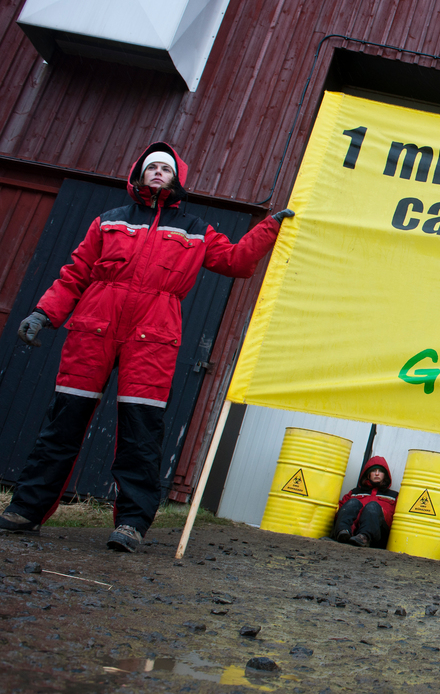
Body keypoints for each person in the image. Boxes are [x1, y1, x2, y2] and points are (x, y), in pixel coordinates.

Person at [0, 142, 293, 553]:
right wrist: (43, 314)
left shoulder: (195, 228)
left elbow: (237, 262)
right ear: (137, 174)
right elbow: (75, 274)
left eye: (166, 169)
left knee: (141, 431)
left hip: (153, 334)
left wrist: (270, 227)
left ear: (177, 179)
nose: (158, 172)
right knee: (62, 424)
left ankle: (132, 524)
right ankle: (26, 509)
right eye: (152, 167)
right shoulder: (108, 222)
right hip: (93, 328)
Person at [333, 456, 397, 548]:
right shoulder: (354, 493)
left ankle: (364, 537)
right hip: (351, 533)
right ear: (368, 474)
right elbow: (339, 510)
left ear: (385, 475)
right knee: (352, 502)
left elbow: (398, 521)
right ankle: (343, 533)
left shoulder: (393, 496)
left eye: (381, 471)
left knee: (373, 506)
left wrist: (383, 513)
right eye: (373, 471)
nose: (377, 474)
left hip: (377, 536)